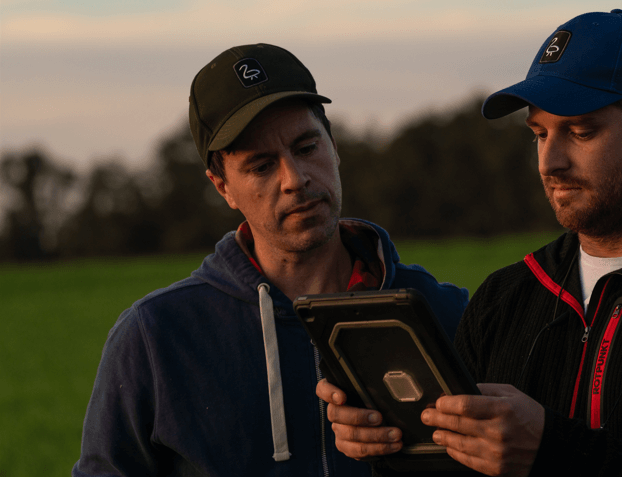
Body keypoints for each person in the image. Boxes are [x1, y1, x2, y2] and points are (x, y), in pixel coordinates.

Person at [319, 9, 622, 476]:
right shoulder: (503, 299)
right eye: (539, 134)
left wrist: (552, 450)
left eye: (581, 132)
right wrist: (392, 445)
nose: (549, 162)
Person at [73, 43, 469, 476]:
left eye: (307, 147)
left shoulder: (448, 313)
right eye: (261, 166)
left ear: (334, 146)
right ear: (222, 186)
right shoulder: (155, 336)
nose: (295, 179)